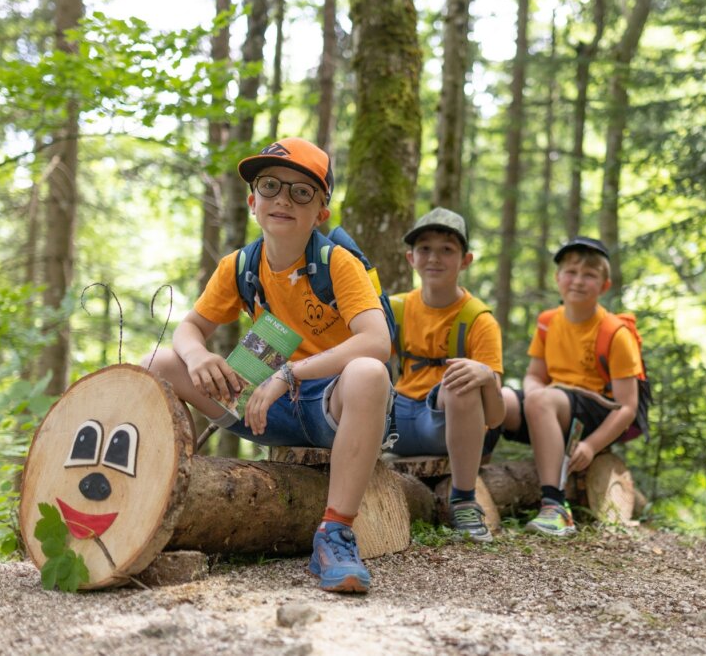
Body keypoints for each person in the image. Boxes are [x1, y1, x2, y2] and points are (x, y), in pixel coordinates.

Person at [145, 137, 391, 593]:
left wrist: (288, 373)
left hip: (328, 406)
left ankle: (335, 533)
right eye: (271, 185)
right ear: (252, 200)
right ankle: (153, 492)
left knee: (369, 372)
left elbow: (377, 342)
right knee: (156, 360)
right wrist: (199, 355)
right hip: (259, 403)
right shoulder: (240, 266)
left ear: (321, 212)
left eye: (301, 192)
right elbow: (189, 328)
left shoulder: (336, 262)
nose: (283, 198)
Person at [386, 208, 505, 543]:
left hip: (439, 423)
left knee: (461, 382)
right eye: (425, 248)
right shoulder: (395, 309)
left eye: (447, 249)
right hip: (395, 422)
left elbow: (495, 417)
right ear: (410, 257)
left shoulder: (478, 320)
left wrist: (485, 376)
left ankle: (464, 500)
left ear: (465, 260)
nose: (434, 258)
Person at [512, 236, 641, 537]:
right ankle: (467, 494)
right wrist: (534, 394)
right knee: (501, 399)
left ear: (604, 285)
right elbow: (534, 375)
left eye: (590, 275)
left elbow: (627, 406)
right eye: (571, 272)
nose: (578, 281)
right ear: (557, 278)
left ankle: (556, 508)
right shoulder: (547, 322)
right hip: (552, 402)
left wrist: (591, 445)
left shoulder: (614, 332)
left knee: (541, 401)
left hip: (593, 409)